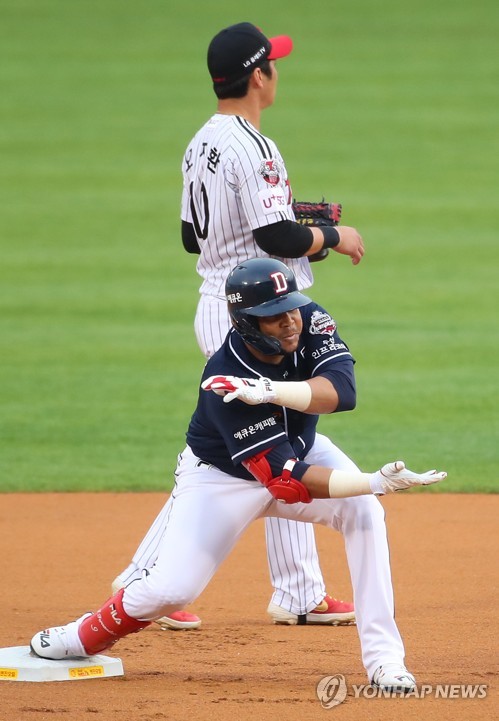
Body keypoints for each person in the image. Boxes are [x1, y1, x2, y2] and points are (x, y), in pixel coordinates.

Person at [31, 259, 446, 692]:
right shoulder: (222, 380)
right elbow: (288, 480)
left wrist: (270, 390)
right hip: (221, 479)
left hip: (300, 448)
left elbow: (342, 393)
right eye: (274, 318)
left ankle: (385, 661)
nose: (290, 324)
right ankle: (80, 635)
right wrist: (373, 481)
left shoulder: (310, 319)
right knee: (170, 591)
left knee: (364, 515)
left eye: (291, 309)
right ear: (246, 323)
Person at [112, 21, 366, 630]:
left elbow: (189, 236)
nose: (277, 71)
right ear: (259, 76)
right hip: (253, 312)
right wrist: (333, 236)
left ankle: (298, 592)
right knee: (233, 455)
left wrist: (283, 229)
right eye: (273, 64)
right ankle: (145, 577)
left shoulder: (200, 142)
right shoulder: (257, 147)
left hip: (221, 298)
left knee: (273, 440)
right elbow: (275, 237)